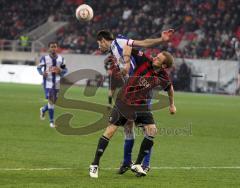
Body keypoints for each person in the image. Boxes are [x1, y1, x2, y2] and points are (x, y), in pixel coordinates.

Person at [89, 29, 176, 178]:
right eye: (156, 56)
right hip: (127, 97)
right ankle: (114, 163)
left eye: (158, 58)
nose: (154, 57)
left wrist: (171, 104)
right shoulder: (136, 57)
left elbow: (141, 43)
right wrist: (127, 63)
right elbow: (132, 47)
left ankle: (143, 164)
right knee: (124, 128)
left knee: (150, 130)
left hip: (142, 100)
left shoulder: (119, 42)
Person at [37, 42, 67, 128]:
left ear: (57, 48)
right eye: (52, 47)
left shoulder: (61, 59)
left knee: (53, 102)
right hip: (48, 82)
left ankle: (43, 109)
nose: (53, 48)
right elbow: (39, 68)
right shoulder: (44, 58)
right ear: (49, 48)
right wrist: (42, 73)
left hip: (57, 82)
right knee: (51, 100)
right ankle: (51, 122)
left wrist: (60, 71)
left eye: (55, 47)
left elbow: (65, 70)